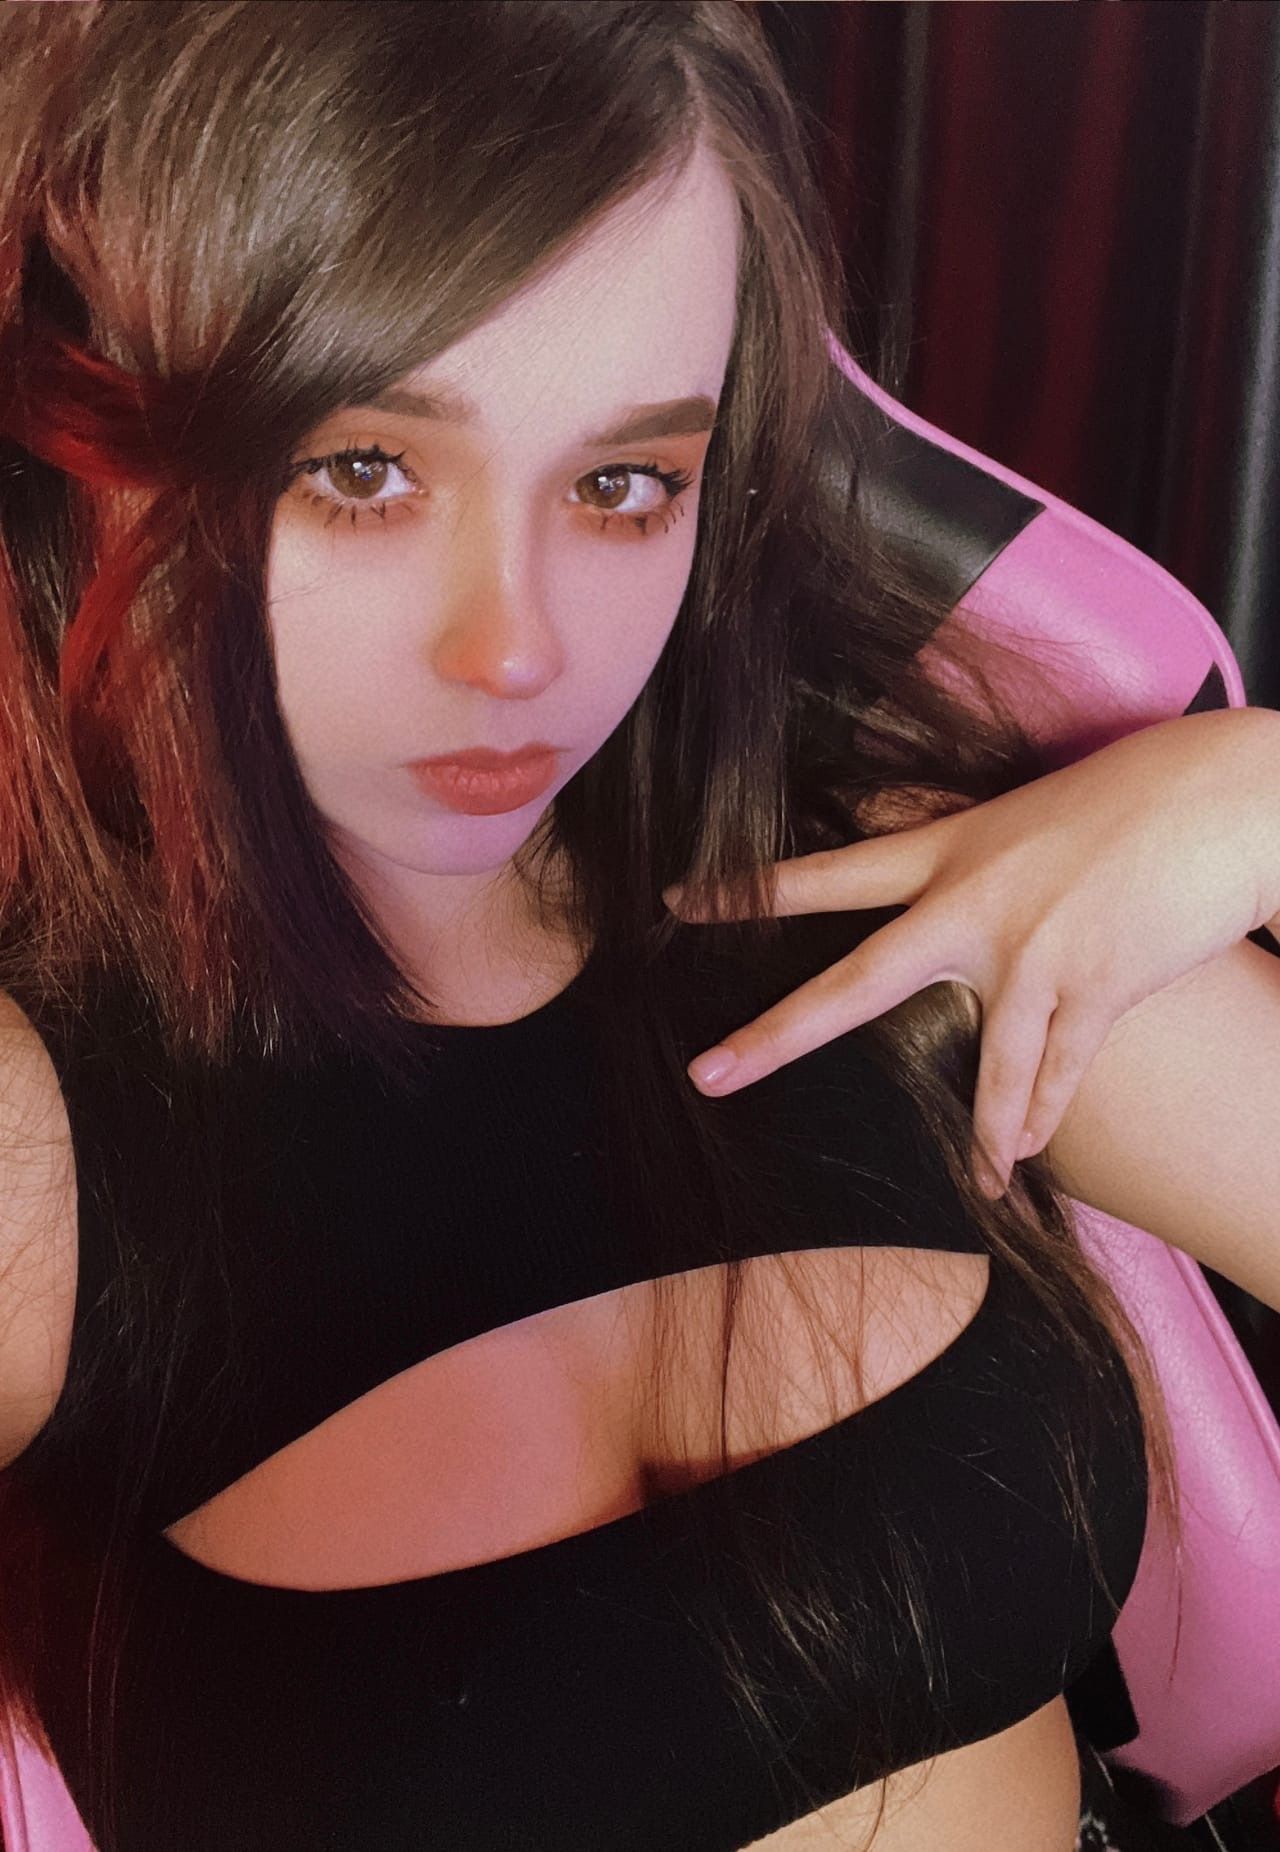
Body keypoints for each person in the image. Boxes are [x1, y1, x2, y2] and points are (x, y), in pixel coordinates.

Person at [0, 4, 1276, 1849]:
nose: (515, 649)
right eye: (362, 468)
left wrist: (1261, 801)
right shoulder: (42, 1157)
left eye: (622, 484)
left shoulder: (895, 912)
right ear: (94, 430)